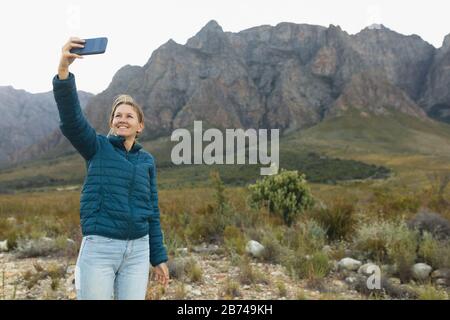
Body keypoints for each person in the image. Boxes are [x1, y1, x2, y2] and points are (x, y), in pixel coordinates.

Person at [53, 37, 169, 300]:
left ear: (140, 126)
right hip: (100, 248)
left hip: (138, 251)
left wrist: (158, 257)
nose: (122, 119)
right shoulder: (98, 147)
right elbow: (72, 121)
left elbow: (151, 210)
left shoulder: (147, 161)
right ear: (112, 123)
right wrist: (63, 72)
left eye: (129, 115)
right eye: (118, 115)